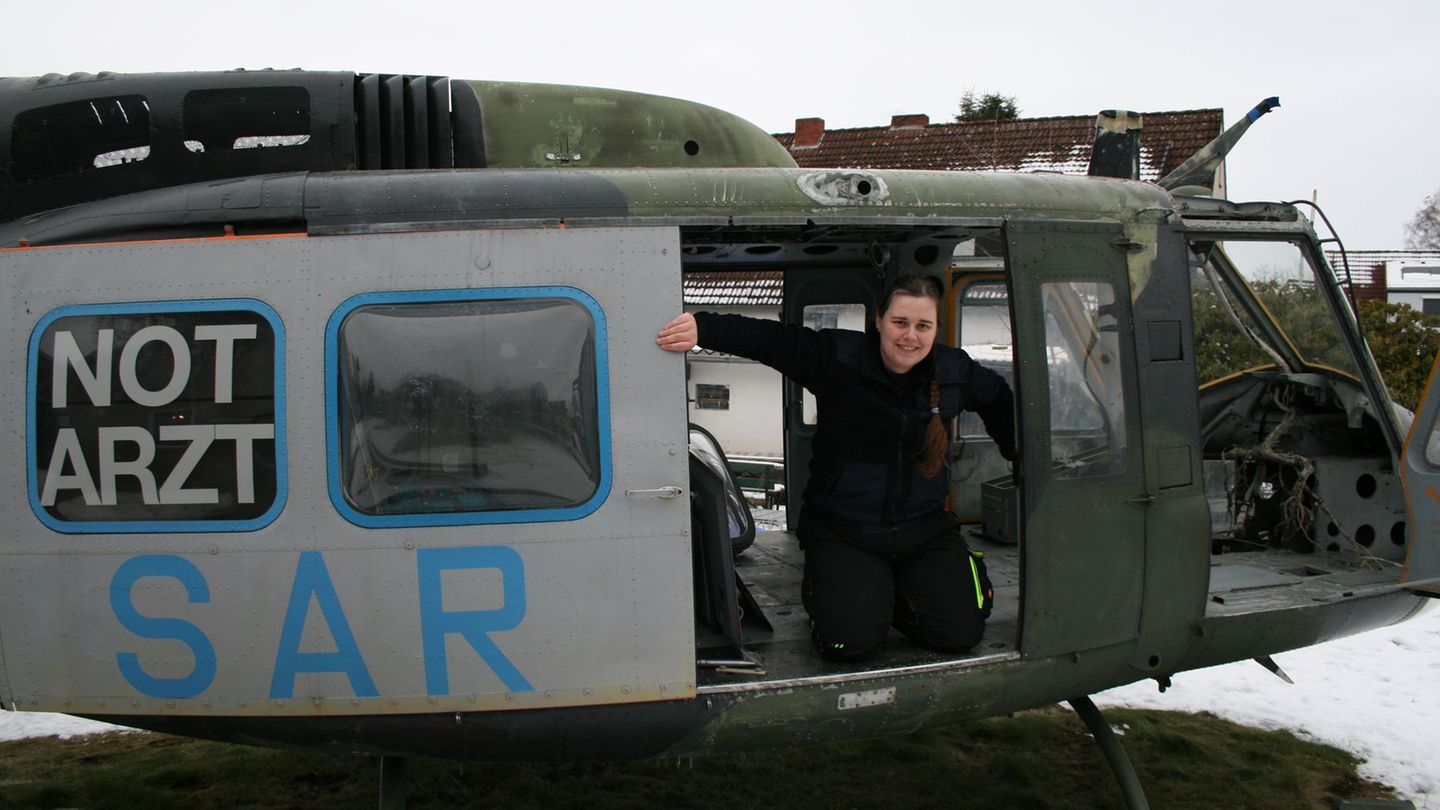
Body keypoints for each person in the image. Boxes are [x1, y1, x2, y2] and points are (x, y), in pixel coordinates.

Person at [657, 274, 1016, 661]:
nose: (910, 336)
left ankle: (894, 596)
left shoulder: (954, 372)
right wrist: (704, 327)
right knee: (850, 644)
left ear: (934, 330)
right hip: (844, 530)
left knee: (958, 635)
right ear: (879, 320)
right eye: (900, 322)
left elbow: (999, 399)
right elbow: (772, 341)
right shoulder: (839, 358)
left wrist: (1020, 454)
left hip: (924, 529)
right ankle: (849, 598)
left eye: (922, 326)